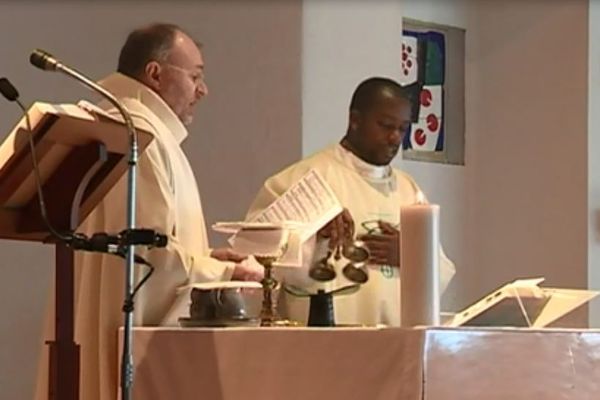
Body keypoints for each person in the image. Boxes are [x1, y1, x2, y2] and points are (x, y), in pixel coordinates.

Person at [34, 23, 261, 400]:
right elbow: (147, 258)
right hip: (130, 343)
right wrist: (226, 271)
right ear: (155, 74)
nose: (203, 91)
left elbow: (150, 247)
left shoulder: (116, 129)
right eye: (195, 77)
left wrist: (205, 260)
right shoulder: (138, 135)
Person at [246, 77, 455, 326]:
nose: (394, 138)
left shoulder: (410, 191)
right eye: (386, 125)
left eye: (402, 128)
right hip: (322, 347)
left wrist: (411, 254)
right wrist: (313, 234)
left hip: (398, 346)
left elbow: (442, 271)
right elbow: (254, 257)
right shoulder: (303, 180)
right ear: (355, 120)